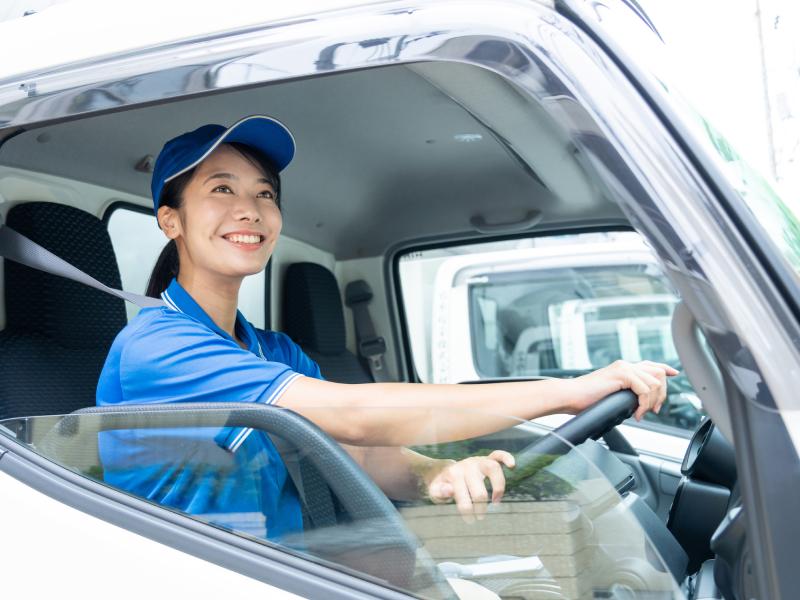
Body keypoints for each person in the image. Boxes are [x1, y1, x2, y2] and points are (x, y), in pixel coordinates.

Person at [96, 115, 677, 539]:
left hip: (288, 567)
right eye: (222, 189)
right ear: (170, 220)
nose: (250, 209)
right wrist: (567, 393)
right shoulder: (156, 347)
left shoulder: (272, 349)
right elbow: (356, 413)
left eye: (264, 193)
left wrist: (438, 474)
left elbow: (360, 450)